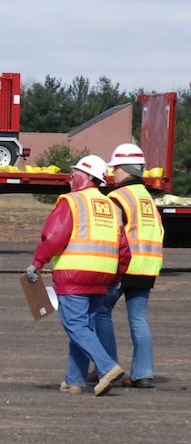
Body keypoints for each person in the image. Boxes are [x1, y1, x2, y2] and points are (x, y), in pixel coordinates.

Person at [25, 154, 131, 396]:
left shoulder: (72, 202)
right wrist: (116, 277)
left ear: (85, 178)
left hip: (75, 275)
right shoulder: (112, 208)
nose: (71, 178)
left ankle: (107, 367)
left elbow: (54, 236)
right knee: (83, 328)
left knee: (75, 326)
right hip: (102, 277)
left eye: (74, 174)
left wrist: (37, 262)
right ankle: (74, 380)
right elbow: (123, 249)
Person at [94, 143, 165, 388]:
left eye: (116, 168)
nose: (113, 172)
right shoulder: (148, 198)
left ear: (127, 169)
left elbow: (110, 233)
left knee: (101, 310)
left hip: (124, 267)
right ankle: (143, 374)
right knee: (138, 319)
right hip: (147, 267)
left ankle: (108, 366)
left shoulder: (117, 197)